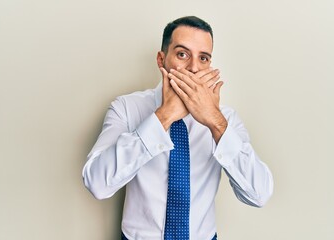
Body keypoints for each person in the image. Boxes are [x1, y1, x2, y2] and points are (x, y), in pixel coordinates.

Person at [82, 16, 274, 240]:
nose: (193, 68)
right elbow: (96, 183)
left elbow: (259, 195)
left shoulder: (225, 119)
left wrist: (215, 122)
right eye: (182, 54)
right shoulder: (126, 108)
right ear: (161, 59)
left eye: (203, 58)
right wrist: (163, 116)